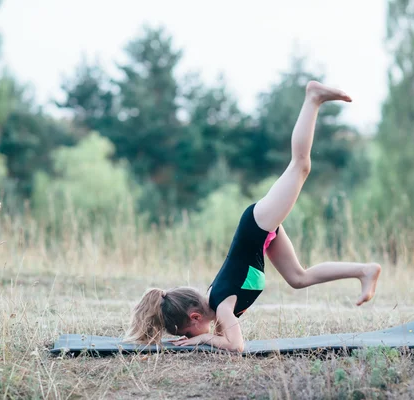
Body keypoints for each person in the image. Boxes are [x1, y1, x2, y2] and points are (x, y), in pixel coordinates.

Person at [124, 81, 382, 352]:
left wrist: (202, 339)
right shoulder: (218, 305)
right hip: (260, 234)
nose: (194, 336)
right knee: (298, 278)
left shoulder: (222, 305)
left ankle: (313, 98)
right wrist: (206, 336)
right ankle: (364, 270)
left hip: (256, 225)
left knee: (300, 165)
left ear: (195, 317)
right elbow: (228, 339)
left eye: (190, 333)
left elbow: (236, 347)